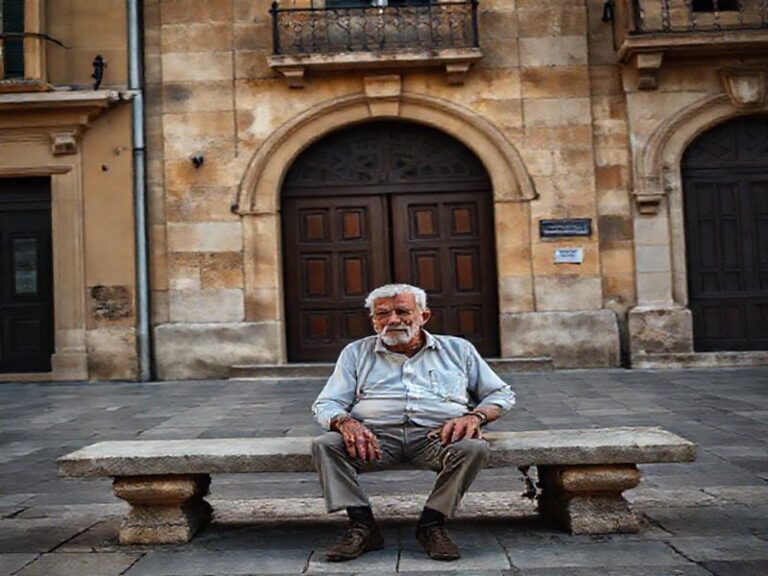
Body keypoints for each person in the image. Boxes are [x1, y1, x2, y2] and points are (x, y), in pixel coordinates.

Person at [311, 283, 516, 562]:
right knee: (326, 445)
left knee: (473, 448)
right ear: (373, 321)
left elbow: (500, 393)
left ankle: (432, 524)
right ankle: (362, 525)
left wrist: (475, 416)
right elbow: (327, 402)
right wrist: (345, 422)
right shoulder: (356, 353)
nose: (392, 320)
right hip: (374, 439)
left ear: (424, 316)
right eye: (382, 314)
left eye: (402, 311)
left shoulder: (459, 349)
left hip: (438, 437)